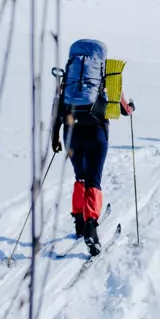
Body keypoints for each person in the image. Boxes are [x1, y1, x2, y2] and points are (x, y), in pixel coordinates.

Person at [51, 39, 134, 256]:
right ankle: (91, 227)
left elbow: (57, 107)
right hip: (97, 130)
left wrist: (55, 137)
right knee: (93, 180)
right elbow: (123, 107)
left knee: (80, 176)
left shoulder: (68, 78)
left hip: (70, 131)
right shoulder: (105, 76)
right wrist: (130, 108)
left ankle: (79, 222)